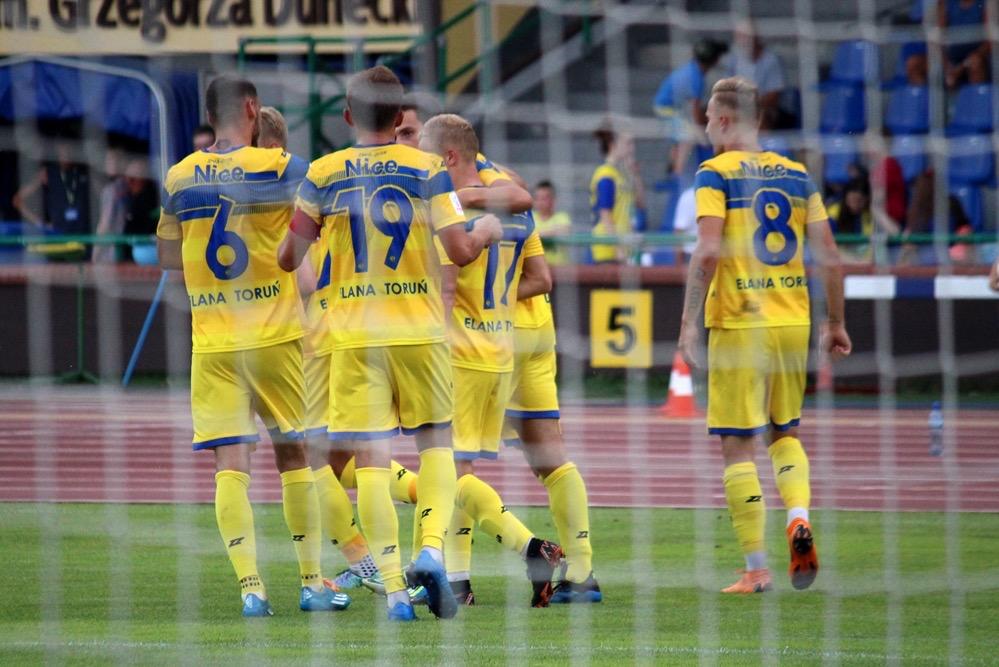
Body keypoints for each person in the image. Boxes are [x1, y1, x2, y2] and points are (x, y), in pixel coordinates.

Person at [277, 65, 503, 622]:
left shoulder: (324, 173)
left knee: (371, 462)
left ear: (347, 116)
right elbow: (460, 250)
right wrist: (485, 230)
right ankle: (432, 550)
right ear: (401, 115)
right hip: (419, 329)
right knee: (437, 445)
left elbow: (288, 258)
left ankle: (398, 593)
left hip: (354, 335)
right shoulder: (428, 169)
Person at [156, 75, 349, 617]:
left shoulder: (178, 176)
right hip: (273, 334)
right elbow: (316, 221)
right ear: (251, 108)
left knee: (230, 464)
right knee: (296, 456)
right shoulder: (282, 167)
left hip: (213, 341)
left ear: (208, 115)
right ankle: (311, 582)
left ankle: (251, 589)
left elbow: (168, 258)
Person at [677, 77, 852, 594]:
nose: (705, 126)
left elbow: (709, 250)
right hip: (792, 320)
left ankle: (756, 569)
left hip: (739, 320)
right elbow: (831, 256)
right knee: (785, 434)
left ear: (723, 120)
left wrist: (688, 322)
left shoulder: (714, 173)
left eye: (708, 118)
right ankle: (797, 518)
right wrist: (835, 322)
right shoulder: (798, 175)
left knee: (737, 445)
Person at [420, 114, 565, 608]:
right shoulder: (515, 211)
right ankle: (459, 583)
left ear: (448, 156)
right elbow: (540, 278)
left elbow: (444, 287)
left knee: (447, 471)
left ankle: (531, 547)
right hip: (499, 353)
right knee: (459, 470)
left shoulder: (450, 214)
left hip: (459, 352)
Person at [653, 39, 728, 178]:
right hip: (667, 108)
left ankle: (673, 168)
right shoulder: (696, 77)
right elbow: (695, 110)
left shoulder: (693, 69)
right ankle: (677, 174)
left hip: (670, 106)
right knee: (687, 136)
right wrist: (702, 134)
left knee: (682, 136)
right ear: (714, 60)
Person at [590, 124, 641, 263]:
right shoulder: (605, 175)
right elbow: (605, 214)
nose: (632, 148)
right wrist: (617, 248)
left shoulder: (621, 175)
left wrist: (635, 174)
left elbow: (640, 203)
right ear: (613, 145)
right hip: (609, 250)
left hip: (625, 246)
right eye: (628, 143)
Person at [722, 20, 786, 129]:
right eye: (739, 36)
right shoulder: (734, 60)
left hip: (766, 109)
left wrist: (750, 105)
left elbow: (774, 96)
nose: (743, 40)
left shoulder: (771, 60)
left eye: (746, 36)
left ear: (756, 36)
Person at [532, 180, 572, 266]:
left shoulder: (562, 217)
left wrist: (538, 235)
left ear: (553, 200)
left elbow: (565, 231)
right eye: (537, 198)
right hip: (536, 268)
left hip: (559, 268)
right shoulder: (530, 218)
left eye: (544, 198)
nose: (540, 202)